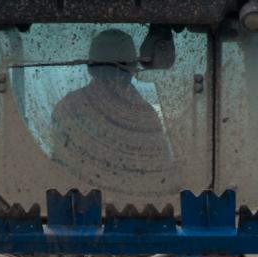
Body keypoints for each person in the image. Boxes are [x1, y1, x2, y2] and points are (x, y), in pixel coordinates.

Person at [49, 29, 176, 193]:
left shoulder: (68, 108)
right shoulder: (145, 114)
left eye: (117, 72)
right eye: (109, 72)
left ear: (90, 68)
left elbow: (57, 172)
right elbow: (161, 178)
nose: (113, 80)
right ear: (133, 69)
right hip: (130, 210)